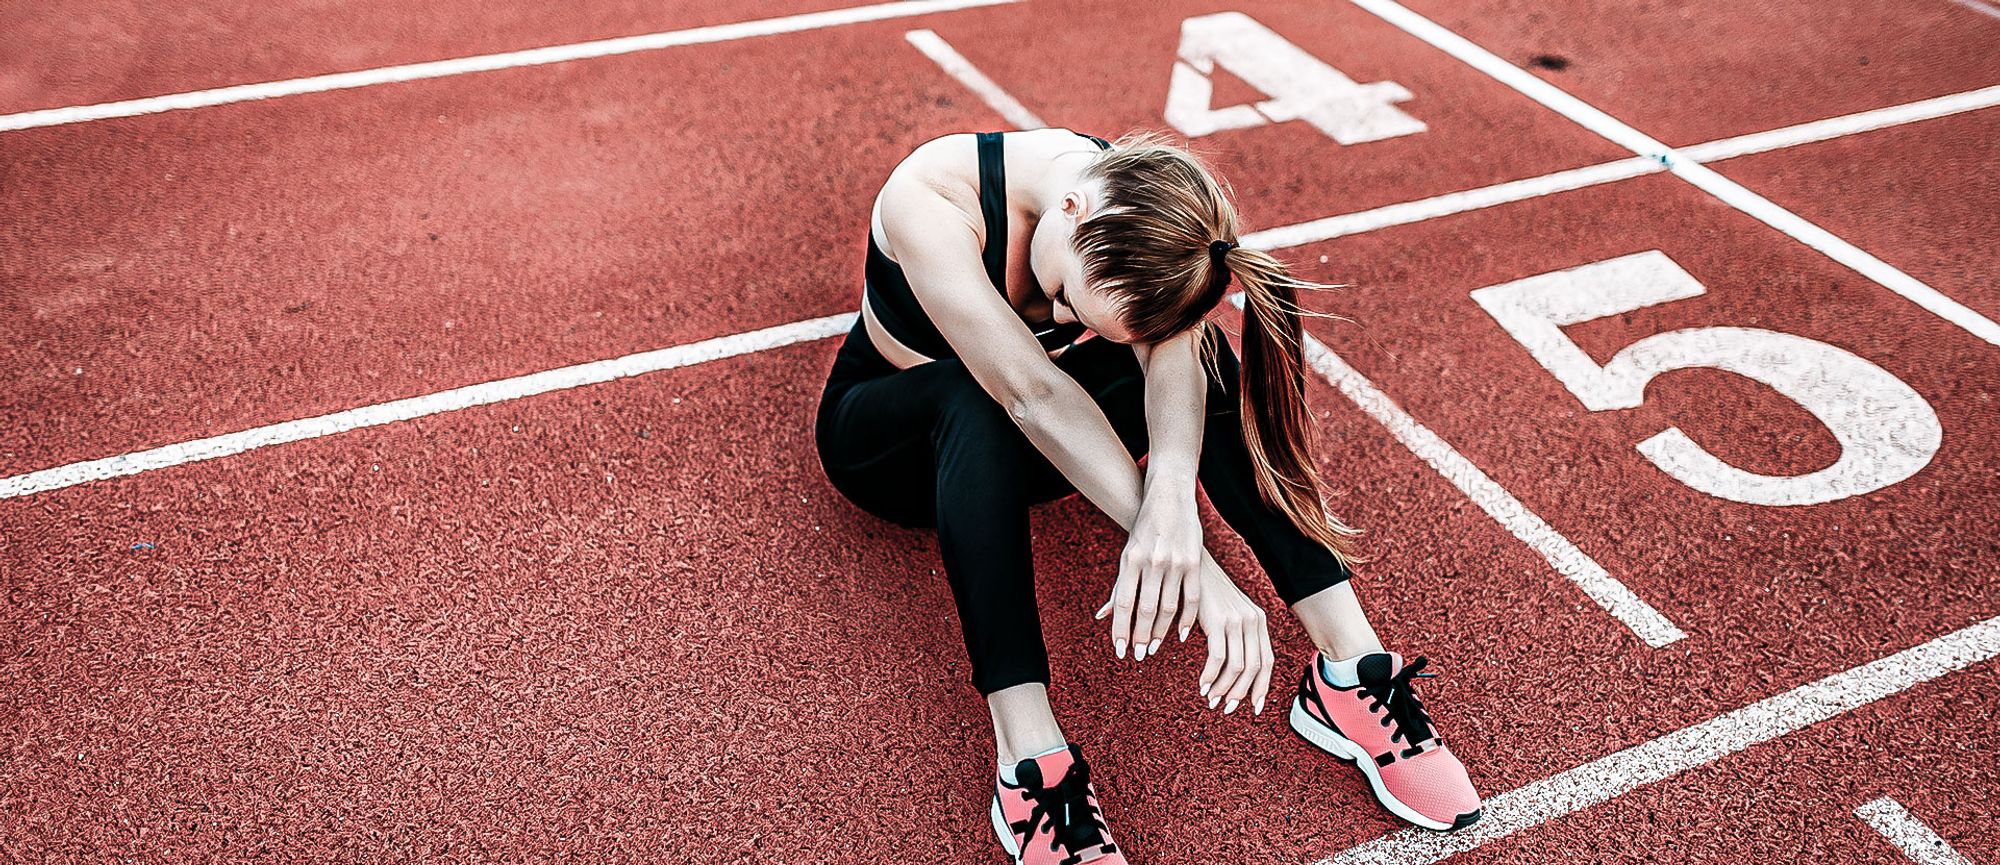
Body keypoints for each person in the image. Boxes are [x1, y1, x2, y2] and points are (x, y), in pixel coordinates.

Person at [813, 127, 1480, 863]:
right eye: (1068, 299)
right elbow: (1030, 391)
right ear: (1071, 210)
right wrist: (1192, 562)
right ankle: (1030, 760)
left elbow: (1171, 358)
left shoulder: (1146, 211)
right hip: (893, 444)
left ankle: (1351, 669)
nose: (1062, 319)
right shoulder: (932, 196)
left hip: (1042, 443)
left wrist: (1171, 493)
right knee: (976, 400)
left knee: (1205, 355)